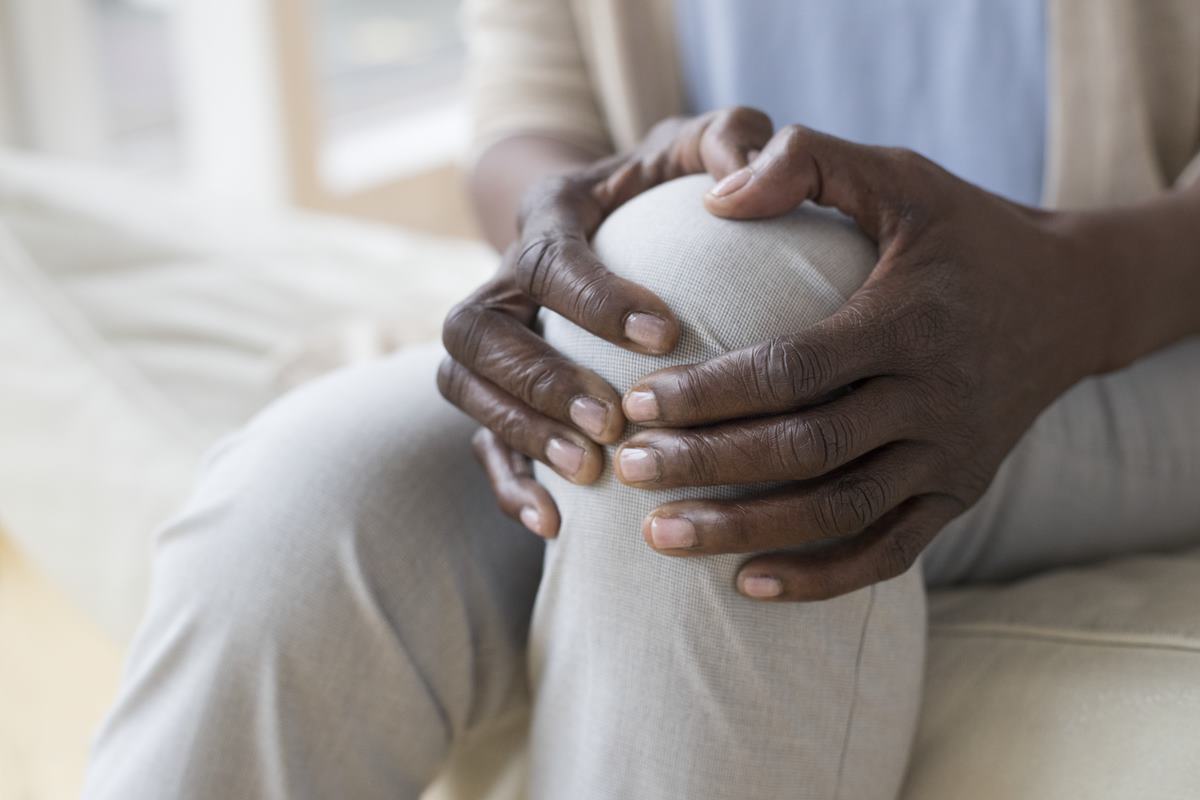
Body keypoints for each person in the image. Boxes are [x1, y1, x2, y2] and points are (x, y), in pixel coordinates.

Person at [83, 1, 1200, 798]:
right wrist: (568, 237)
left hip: (1141, 334)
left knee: (720, 310)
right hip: (689, 326)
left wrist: (1074, 278)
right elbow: (526, 115)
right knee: (309, 505)